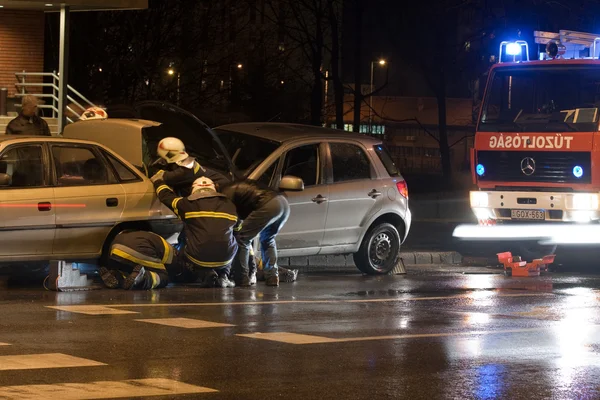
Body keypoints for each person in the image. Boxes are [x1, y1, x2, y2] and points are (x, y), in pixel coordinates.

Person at [151, 174, 238, 288]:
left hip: (199, 258)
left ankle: (203, 273)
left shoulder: (186, 204)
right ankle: (224, 276)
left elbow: (166, 196)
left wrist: (158, 181)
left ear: (194, 190)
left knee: (182, 242)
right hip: (226, 259)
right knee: (230, 241)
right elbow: (237, 230)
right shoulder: (230, 205)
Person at [221, 180, 290, 287]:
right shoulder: (235, 187)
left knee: (242, 239)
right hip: (283, 203)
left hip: (269, 204)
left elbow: (230, 217)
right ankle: (272, 276)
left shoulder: (225, 193)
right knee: (268, 239)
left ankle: (242, 278)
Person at [98, 230, 176, 290]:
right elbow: (168, 268)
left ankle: (117, 276)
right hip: (138, 248)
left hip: (115, 247)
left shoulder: (151, 236)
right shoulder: (173, 254)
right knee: (163, 277)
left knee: (131, 270)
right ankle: (142, 278)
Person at [154, 137, 230, 197]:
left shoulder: (185, 170)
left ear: (168, 156)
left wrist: (154, 172)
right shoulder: (186, 162)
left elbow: (161, 178)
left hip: (222, 192)